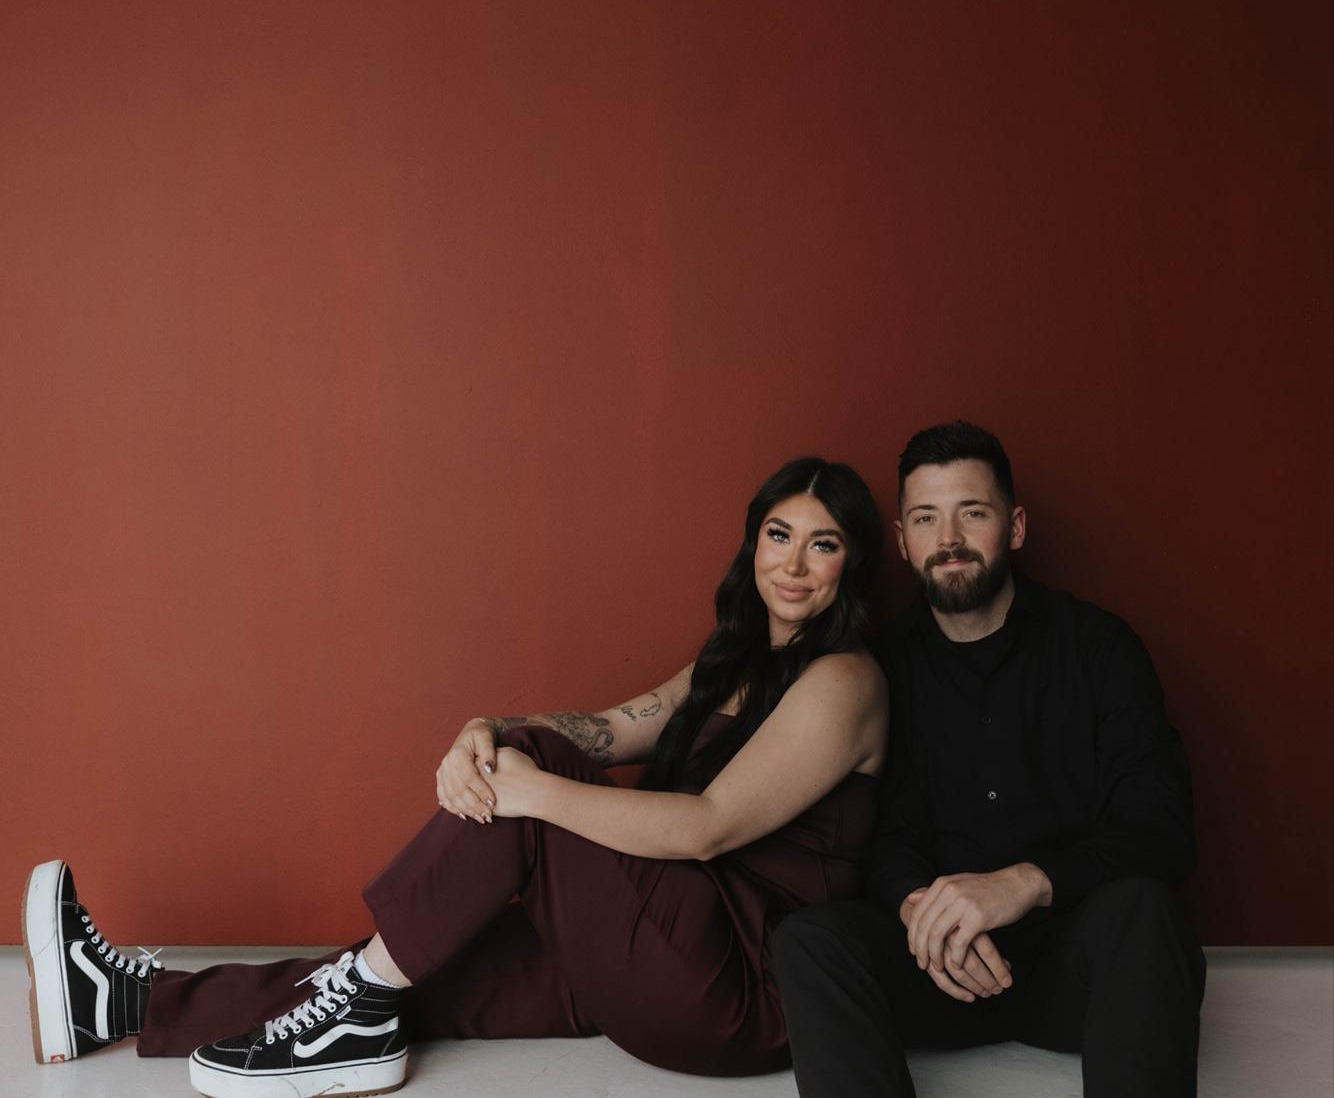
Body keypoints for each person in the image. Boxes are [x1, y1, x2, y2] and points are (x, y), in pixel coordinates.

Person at [23, 456, 890, 1098]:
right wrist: (489, 732)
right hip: (662, 951)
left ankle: (357, 1009)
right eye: (779, 536)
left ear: (851, 563)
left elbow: (707, 826)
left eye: (823, 545)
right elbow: (612, 727)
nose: (793, 565)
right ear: (753, 543)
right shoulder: (732, 659)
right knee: (411, 967)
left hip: (735, 988)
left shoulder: (845, 681)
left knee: (521, 786)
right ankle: (126, 1003)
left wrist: (526, 786)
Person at [774, 421, 1205, 1098]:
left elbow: (1161, 829)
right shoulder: (876, 669)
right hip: (938, 966)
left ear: (1015, 526)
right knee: (809, 940)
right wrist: (919, 907)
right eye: (926, 518)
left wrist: (1026, 883)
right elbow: (880, 833)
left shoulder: (1098, 646)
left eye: (972, 513)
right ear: (903, 541)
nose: (948, 538)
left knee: (1146, 912)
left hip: (1076, 965)